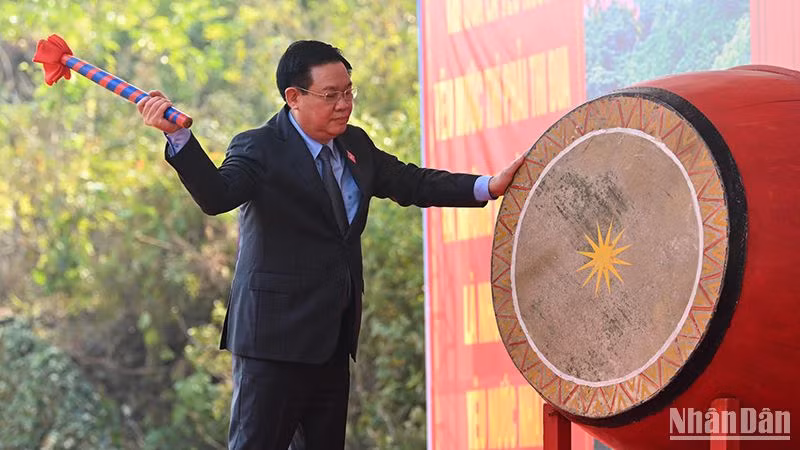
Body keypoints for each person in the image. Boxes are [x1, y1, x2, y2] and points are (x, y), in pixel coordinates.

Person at [137, 40, 524, 450]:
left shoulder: (355, 145)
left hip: (332, 340)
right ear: (294, 97)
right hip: (273, 343)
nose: (344, 104)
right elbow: (217, 195)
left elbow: (412, 182)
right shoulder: (259, 146)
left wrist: (487, 186)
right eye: (330, 95)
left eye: (348, 92)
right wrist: (179, 138)